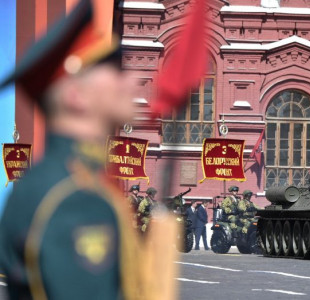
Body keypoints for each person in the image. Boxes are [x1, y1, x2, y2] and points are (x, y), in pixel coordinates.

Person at [0, 1, 179, 299]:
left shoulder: (60, 180)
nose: (131, 80)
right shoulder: (77, 198)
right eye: (115, 69)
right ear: (76, 96)